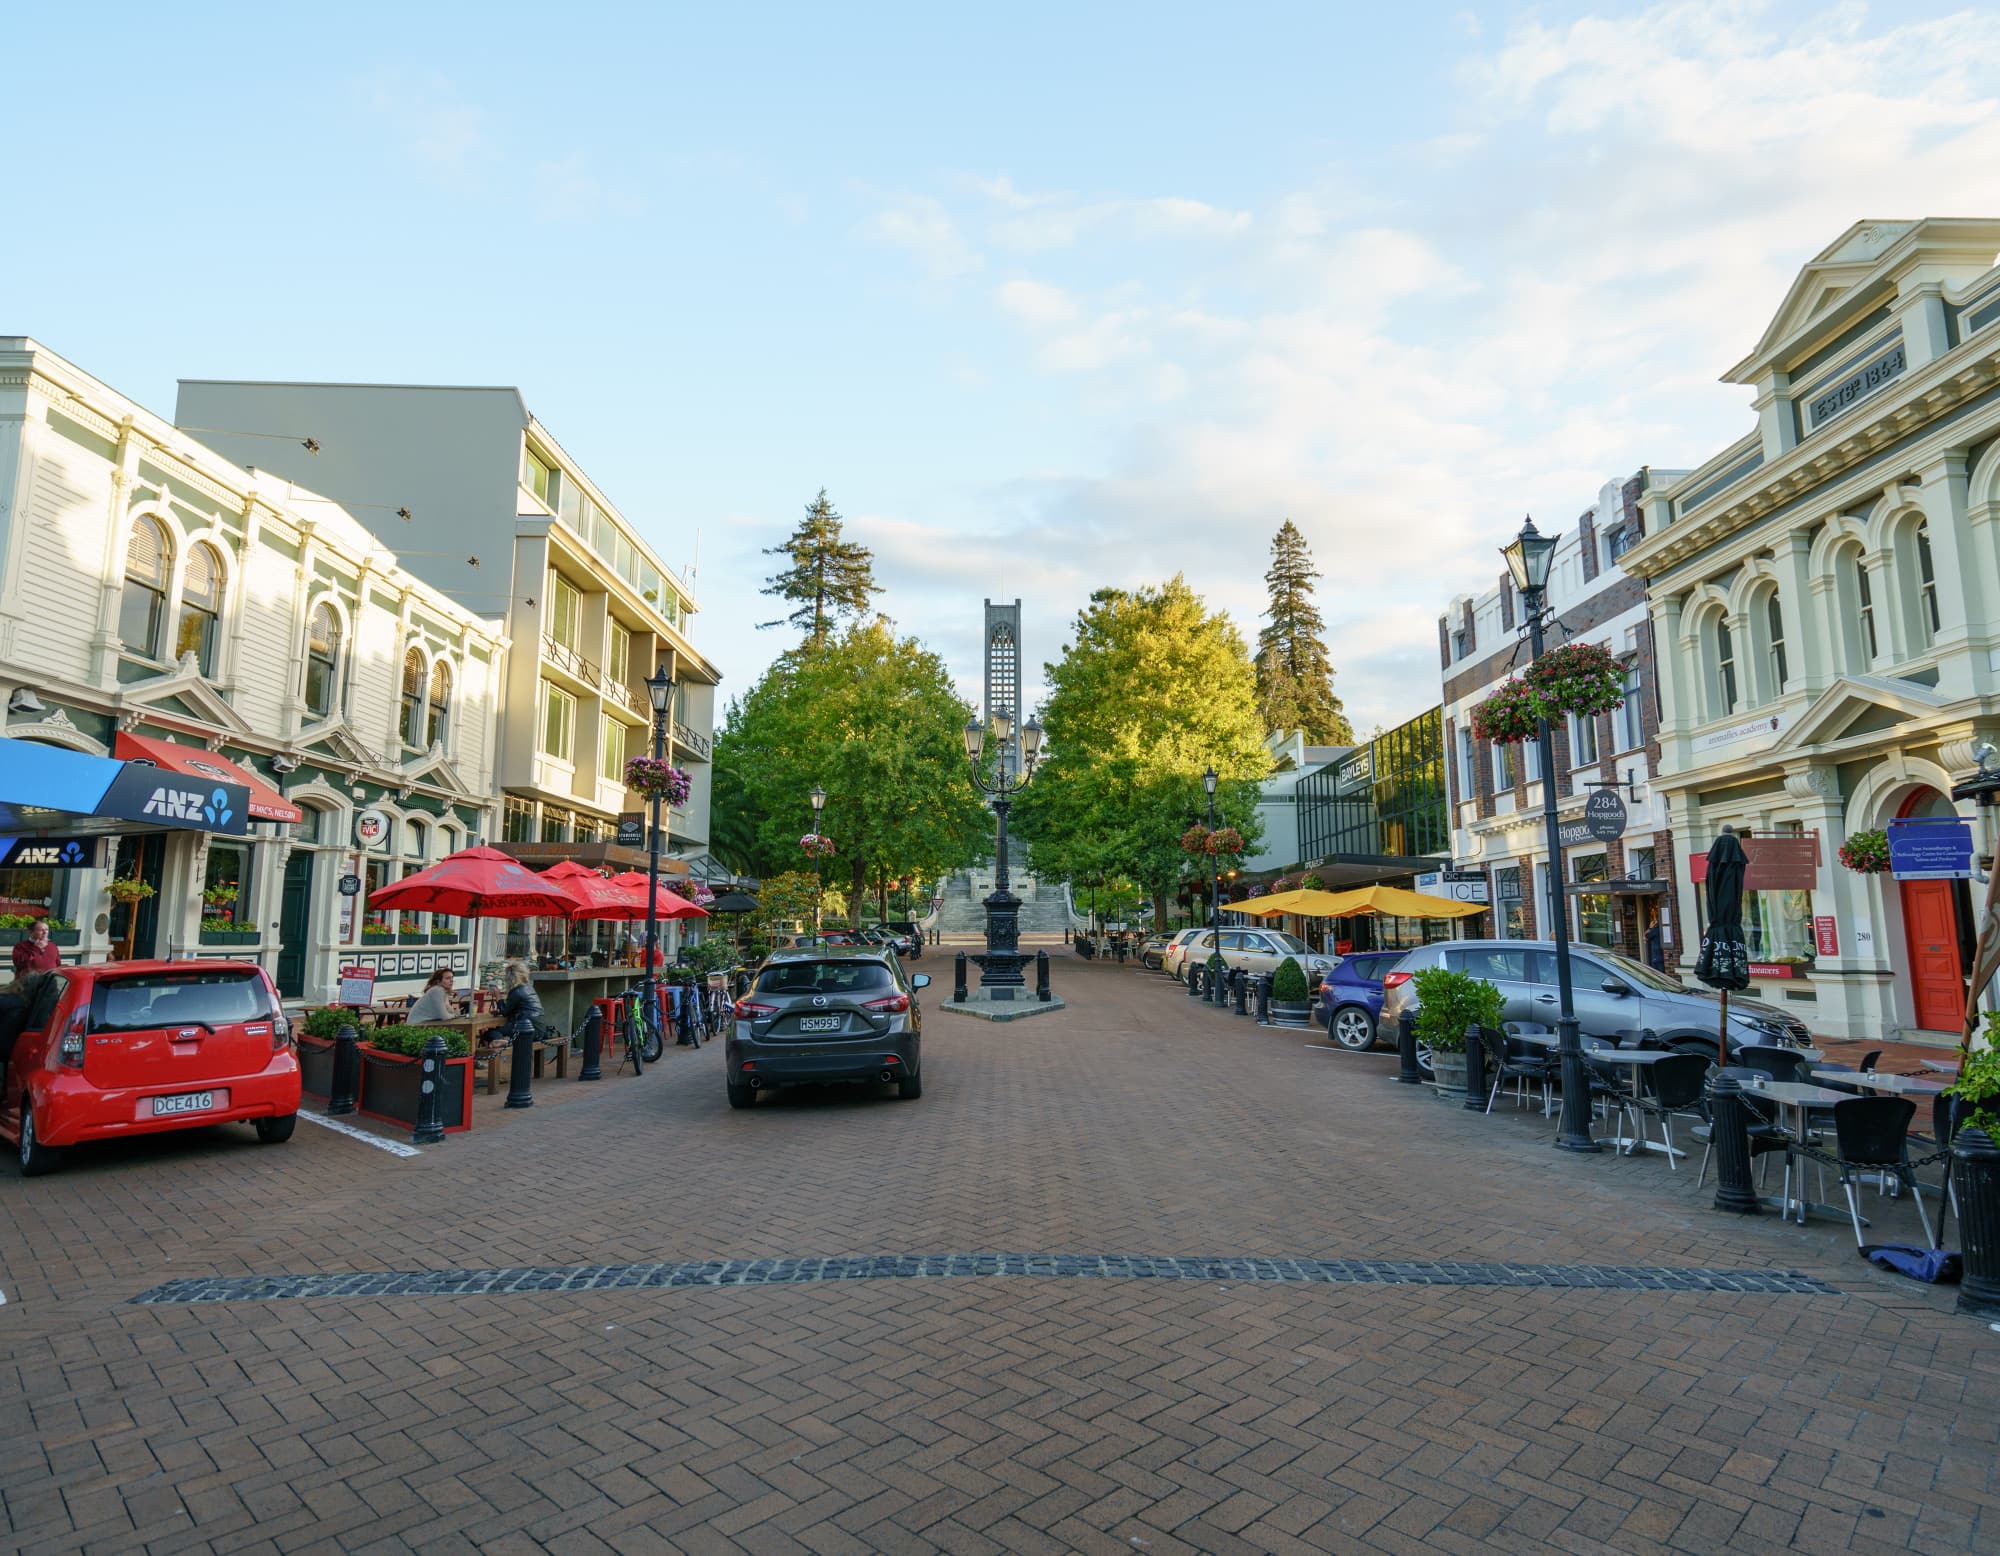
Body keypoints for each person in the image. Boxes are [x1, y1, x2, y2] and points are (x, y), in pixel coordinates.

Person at [498, 958, 543, 1034]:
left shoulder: (516, 991)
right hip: (539, 1027)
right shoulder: (529, 988)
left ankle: (505, 1041)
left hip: (525, 1028)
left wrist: (498, 996)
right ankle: (506, 1040)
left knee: (491, 1033)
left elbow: (505, 1012)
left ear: (510, 978)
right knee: (498, 1031)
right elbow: (519, 1008)